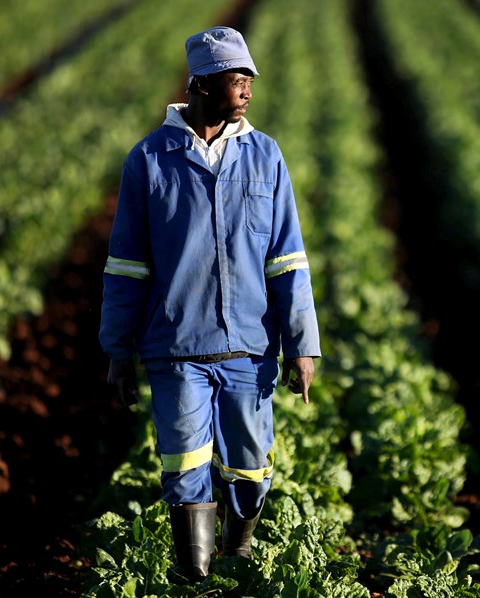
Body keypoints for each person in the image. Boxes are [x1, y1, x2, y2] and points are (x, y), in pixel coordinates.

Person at [99, 25, 321, 583]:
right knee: (184, 464)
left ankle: (237, 558)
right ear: (200, 83)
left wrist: (302, 346)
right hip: (175, 348)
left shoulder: (265, 156)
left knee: (250, 467)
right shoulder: (149, 161)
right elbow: (126, 266)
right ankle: (193, 576)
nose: (246, 88)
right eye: (235, 77)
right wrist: (118, 350)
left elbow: (286, 259)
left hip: (249, 348)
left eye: (249, 78)